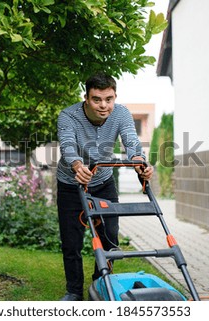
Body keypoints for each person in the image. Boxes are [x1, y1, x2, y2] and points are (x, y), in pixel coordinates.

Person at [56, 73, 153, 301]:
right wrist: (77, 165)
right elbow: (68, 145)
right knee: (71, 242)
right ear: (86, 98)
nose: (103, 105)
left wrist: (140, 163)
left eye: (108, 99)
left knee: (110, 239)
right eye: (97, 99)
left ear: (115, 97)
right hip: (71, 184)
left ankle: (101, 284)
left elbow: (131, 141)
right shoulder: (68, 116)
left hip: (103, 182)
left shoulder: (121, 113)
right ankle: (73, 291)